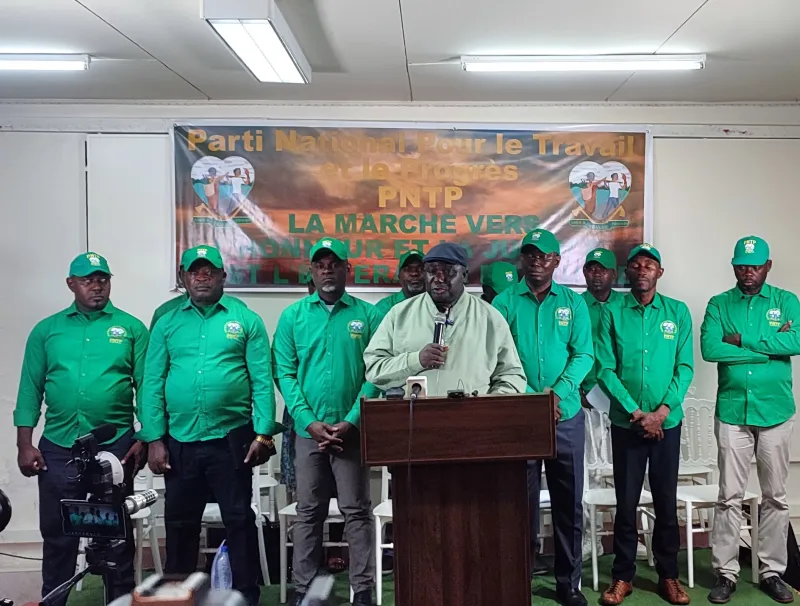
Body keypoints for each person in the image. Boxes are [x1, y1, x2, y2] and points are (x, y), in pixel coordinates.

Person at [139, 245, 279, 606]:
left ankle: (245, 595)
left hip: (232, 437)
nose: (202, 277)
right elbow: (152, 382)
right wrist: (154, 437)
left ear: (222, 277)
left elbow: (261, 380)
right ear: (183, 278)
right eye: (194, 271)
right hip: (180, 440)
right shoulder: (167, 323)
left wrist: (263, 433)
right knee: (180, 523)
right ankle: (178, 595)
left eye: (209, 271)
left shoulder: (245, 319)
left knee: (238, 519)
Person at [13, 252, 148, 606]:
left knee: (114, 533)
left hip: (115, 445)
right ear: (71, 284)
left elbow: (147, 387)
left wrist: (145, 436)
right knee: (58, 534)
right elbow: (30, 388)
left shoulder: (131, 328)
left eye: (102, 279)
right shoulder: (47, 331)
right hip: (59, 445)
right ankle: (53, 600)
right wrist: (24, 443)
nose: (96, 286)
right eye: (88, 280)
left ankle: (118, 601)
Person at [273, 238, 381, 606]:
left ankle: (362, 589)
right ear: (312, 271)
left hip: (352, 432)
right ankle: (304, 589)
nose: (327, 270)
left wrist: (350, 419)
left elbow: (376, 373)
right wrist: (309, 422)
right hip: (309, 434)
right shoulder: (293, 317)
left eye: (334, 263)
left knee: (357, 510)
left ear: (347, 269)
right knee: (308, 511)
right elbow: (284, 374)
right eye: (320, 264)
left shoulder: (369, 315)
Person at [492, 229, 593, 606]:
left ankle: (569, 583)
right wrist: (526, 401)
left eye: (544, 255)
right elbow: (497, 357)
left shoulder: (573, 303)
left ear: (556, 261)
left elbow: (583, 355)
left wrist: (558, 393)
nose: (536, 261)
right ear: (523, 260)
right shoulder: (503, 303)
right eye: (530, 255)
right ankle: (519, 580)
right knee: (520, 505)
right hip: (518, 420)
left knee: (569, 504)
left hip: (563, 416)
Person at [701, 236, 799, 605]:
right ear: (734, 266)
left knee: (775, 496)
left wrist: (742, 340)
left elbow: (798, 341)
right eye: (742, 265)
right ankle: (726, 573)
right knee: (729, 495)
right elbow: (711, 349)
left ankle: (772, 571)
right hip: (732, 412)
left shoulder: (786, 301)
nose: (748, 272)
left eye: (755, 266)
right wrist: (766, 350)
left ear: (768, 266)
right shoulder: (719, 303)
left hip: (775, 412)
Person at [595, 243, 693, 606]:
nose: (641, 270)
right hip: (628, 423)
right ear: (628, 272)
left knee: (666, 502)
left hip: (668, 423)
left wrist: (662, 413)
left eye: (649, 265)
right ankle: (623, 577)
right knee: (626, 502)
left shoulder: (677, 312)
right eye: (635, 265)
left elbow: (685, 368)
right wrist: (637, 412)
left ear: (659, 273)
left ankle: (669, 576)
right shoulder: (613, 313)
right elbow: (605, 367)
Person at [364, 241, 526, 396]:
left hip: (473, 420)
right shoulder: (399, 314)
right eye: (431, 271)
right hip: (412, 419)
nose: (439, 278)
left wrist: (486, 408)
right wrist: (416, 360)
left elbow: (511, 375)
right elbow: (374, 370)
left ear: (464, 275)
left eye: (448, 271)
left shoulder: (490, 318)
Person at [581, 247, 623, 397]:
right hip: (585, 388)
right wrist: (577, 390)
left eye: (603, 269)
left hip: (622, 390)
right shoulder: (575, 305)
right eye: (591, 269)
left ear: (614, 274)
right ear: (584, 272)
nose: (597, 274)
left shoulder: (625, 305)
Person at [373, 249, 425, 319]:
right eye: (408, 269)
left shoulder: (436, 304)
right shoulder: (386, 306)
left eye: (420, 268)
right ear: (399, 277)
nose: (414, 273)